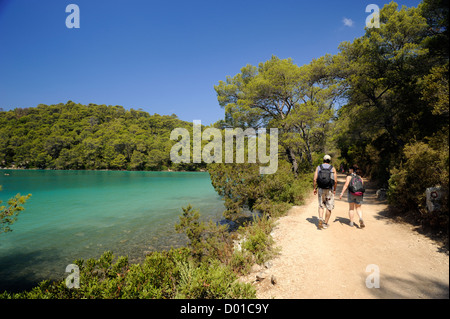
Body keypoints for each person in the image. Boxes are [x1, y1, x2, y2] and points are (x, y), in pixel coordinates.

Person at [313, 155, 337, 229]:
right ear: (329, 160)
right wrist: (334, 189)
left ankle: (320, 218)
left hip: (320, 189)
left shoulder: (319, 167)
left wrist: (314, 188)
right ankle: (325, 223)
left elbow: (314, 179)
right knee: (329, 207)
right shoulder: (332, 168)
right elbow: (335, 181)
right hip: (329, 189)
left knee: (321, 205)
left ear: (323, 160)